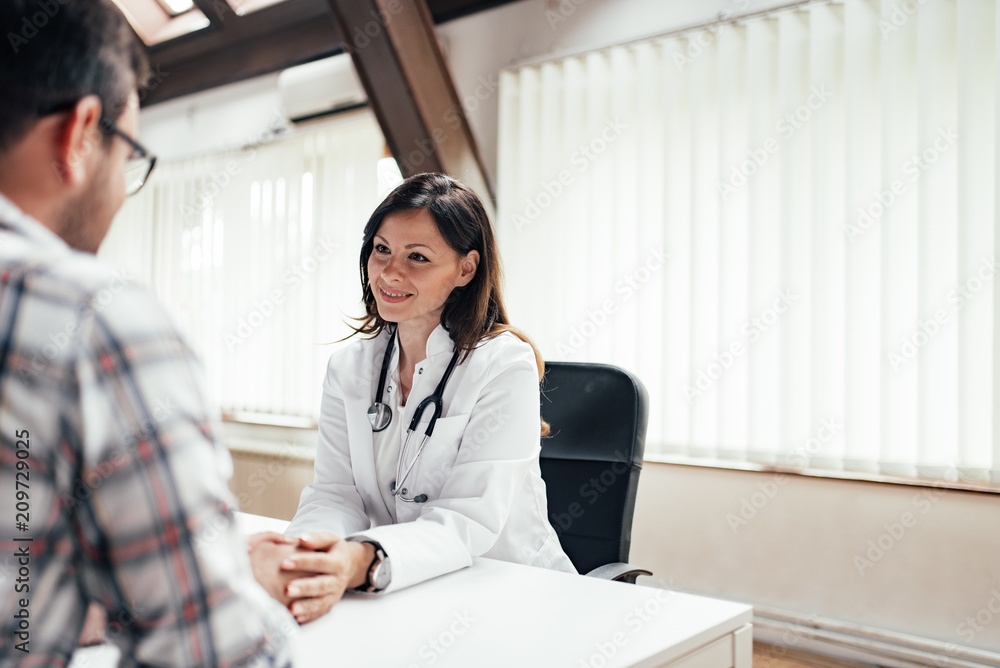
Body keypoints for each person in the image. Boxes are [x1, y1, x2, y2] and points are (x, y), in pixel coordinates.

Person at [0, 1, 298, 664]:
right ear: (80, 132)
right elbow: (214, 653)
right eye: (127, 151)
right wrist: (218, 585)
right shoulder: (91, 318)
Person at [251, 173, 576, 625]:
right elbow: (335, 494)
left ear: (466, 268)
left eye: (417, 257)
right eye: (381, 249)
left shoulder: (503, 365)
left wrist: (360, 560)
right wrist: (307, 556)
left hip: (510, 597)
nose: (389, 272)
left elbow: (467, 520)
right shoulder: (350, 368)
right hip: (408, 593)